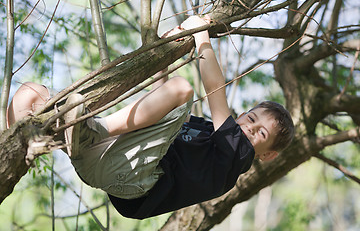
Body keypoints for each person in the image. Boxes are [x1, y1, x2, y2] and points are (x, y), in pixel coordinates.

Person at [7, 16, 294, 220]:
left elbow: (215, 93)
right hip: (104, 159)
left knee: (183, 89)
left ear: (266, 155)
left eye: (260, 134)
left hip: (131, 182)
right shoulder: (206, 132)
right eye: (251, 118)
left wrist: (201, 35)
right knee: (30, 94)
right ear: (245, 113)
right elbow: (157, 115)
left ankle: (96, 130)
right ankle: (10, 148)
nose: (248, 128)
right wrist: (164, 55)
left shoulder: (235, 158)